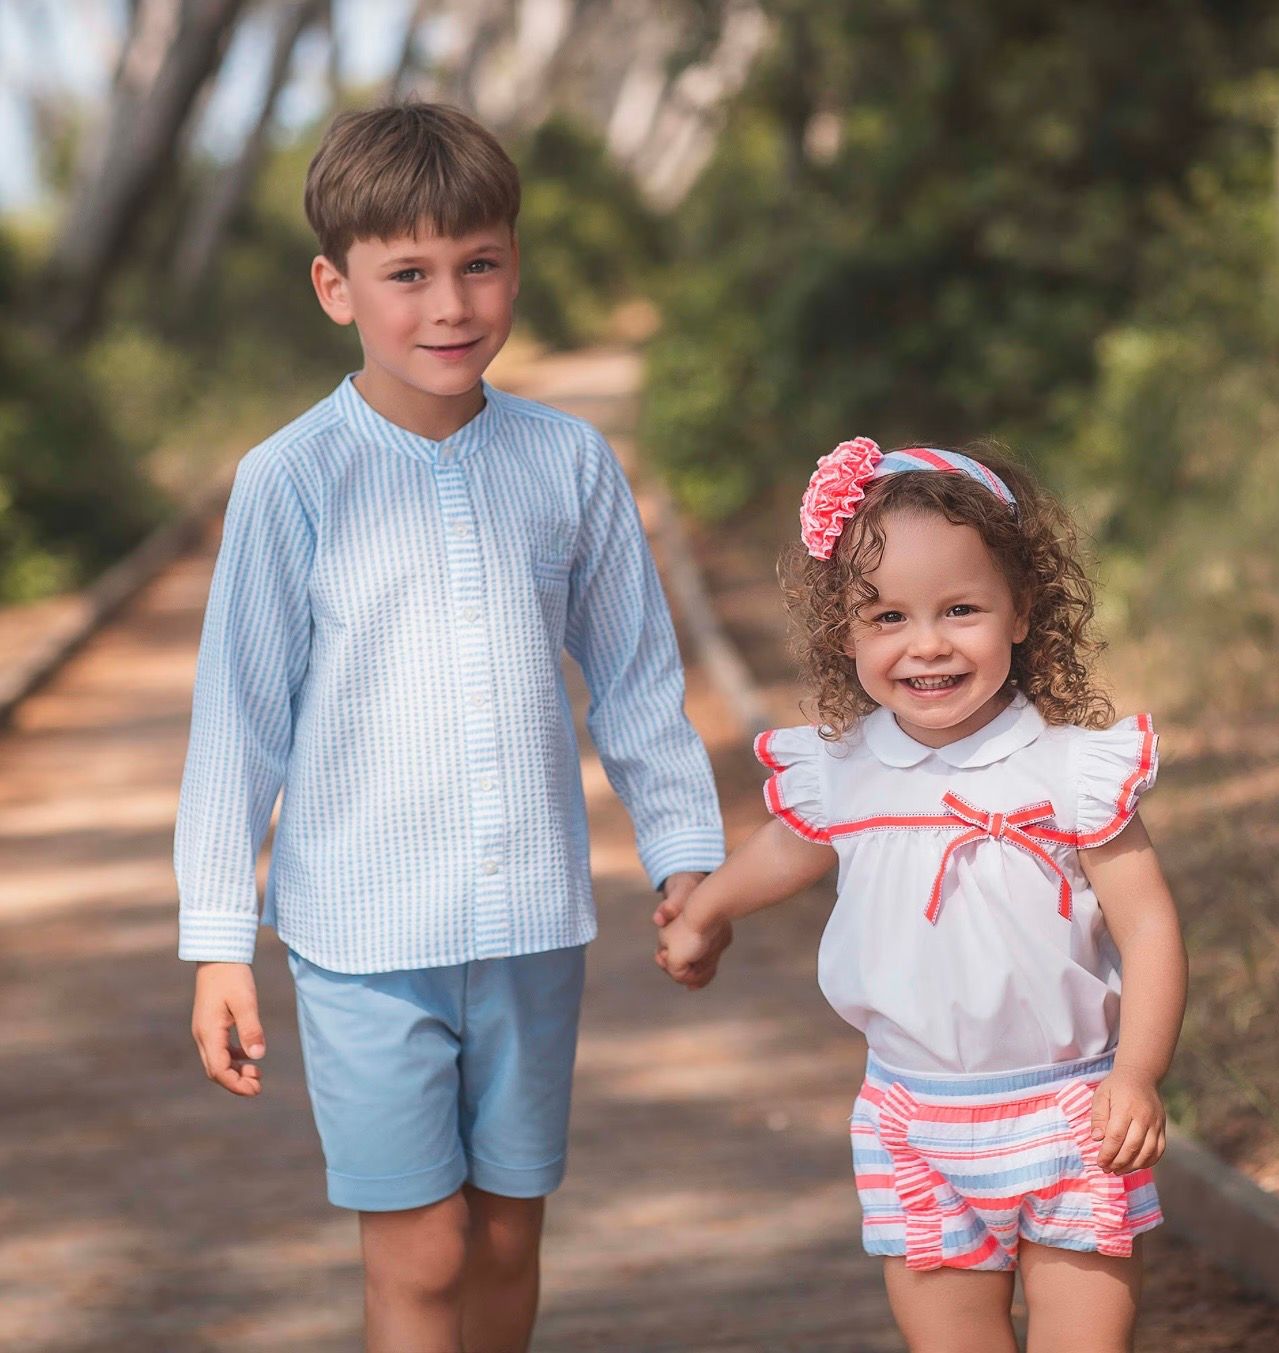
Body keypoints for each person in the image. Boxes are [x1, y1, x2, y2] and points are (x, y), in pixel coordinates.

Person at [175, 102, 728, 1353]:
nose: (449, 306)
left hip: (532, 922)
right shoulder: (290, 480)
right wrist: (216, 941)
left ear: (515, 266)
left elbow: (638, 684)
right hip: (363, 937)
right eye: (407, 275)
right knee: (421, 1248)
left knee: (507, 1234)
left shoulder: (569, 464)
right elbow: (238, 726)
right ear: (336, 286)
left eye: (479, 264)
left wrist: (688, 863)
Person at [657, 438, 1188, 1352]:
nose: (926, 642)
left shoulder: (1068, 773)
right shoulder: (847, 770)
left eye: (960, 609)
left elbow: (1149, 928)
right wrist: (704, 911)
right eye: (887, 616)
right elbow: (786, 853)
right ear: (845, 633)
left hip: (1071, 1113)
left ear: (1020, 611)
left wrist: (1136, 1074)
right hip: (914, 1119)